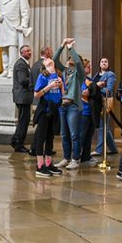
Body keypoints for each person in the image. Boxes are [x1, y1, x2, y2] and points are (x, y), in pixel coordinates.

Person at [53, 38, 85, 170]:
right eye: (69, 57)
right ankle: (66, 158)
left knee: (74, 134)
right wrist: (62, 45)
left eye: (72, 57)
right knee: (64, 134)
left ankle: (75, 159)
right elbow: (54, 60)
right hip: (63, 106)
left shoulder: (79, 74)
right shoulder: (66, 72)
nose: (70, 58)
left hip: (73, 106)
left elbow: (77, 61)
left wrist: (71, 47)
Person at [33, 57, 64, 177]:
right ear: (44, 64)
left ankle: (48, 163)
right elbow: (36, 94)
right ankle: (40, 166)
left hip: (54, 109)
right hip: (44, 109)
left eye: (50, 58)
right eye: (46, 59)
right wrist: (49, 86)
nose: (48, 59)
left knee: (50, 137)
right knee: (41, 137)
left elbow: (63, 95)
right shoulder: (43, 76)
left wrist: (61, 86)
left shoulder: (59, 75)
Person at [10, 45, 34, 153]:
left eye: (30, 50)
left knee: (23, 120)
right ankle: (19, 144)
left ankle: (15, 140)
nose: (30, 52)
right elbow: (23, 80)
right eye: (27, 51)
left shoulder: (24, 63)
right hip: (23, 96)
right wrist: (34, 80)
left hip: (23, 96)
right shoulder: (21, 64)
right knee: (24, 121)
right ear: (22, 53)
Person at [93, 57, 118, 156]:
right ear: (99, 64)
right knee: (104, 127)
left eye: (106, 62)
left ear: (108, 64)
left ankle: (99, 150)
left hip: (105, 101)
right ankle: (113, 148)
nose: (104, 63)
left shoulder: (110, 75)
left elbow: (109, 90)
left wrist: (97, 87)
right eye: (102, 62)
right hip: (96, 102)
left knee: (102, 126)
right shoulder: (96, 75)